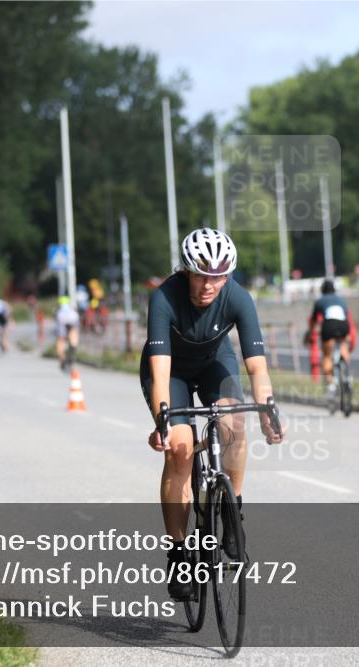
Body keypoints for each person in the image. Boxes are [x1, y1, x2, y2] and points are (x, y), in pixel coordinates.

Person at [142, 228, 285, 600]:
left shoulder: (237, 297)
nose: (210, 284)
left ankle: (231, 512)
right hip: (169, 370)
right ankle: (177, 553)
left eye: (219, 275)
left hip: (213, 363)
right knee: (181, 450)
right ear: (186, 270)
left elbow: (257, 367)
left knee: (234, 422)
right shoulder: (165, 298)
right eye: (202, 274)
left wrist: (268, 409)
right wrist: (162, 420)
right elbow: (159, 371)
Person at [308, 278, 356, 393]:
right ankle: (348, 377)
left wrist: (311, 334)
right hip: (343, 325)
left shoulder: (320, 301)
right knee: (343, 347)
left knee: (327, 355)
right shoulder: (341, 300)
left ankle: (331, 384)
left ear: (322, 290)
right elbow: (346, 317)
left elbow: (314, 322)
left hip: (329, 325)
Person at [54, 295, 80, 370]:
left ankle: (62, 358)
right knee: (73, 337)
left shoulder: (59, 310)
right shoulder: (71, 309)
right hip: (73, 319)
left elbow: (57, 321)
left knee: (61, 340)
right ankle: (72, 349)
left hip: (62, 319)